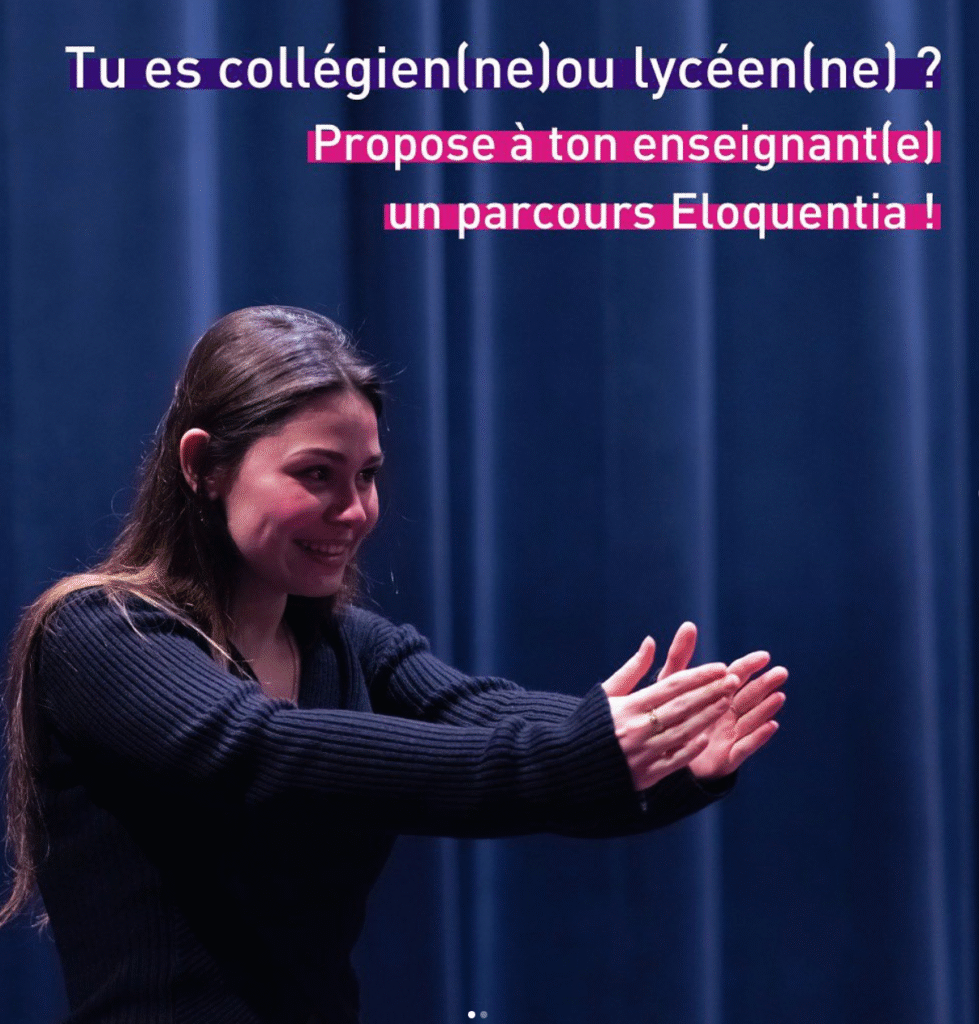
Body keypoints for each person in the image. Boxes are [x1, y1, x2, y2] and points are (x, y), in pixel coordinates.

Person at [1, 305, 786, 1023]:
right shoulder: (102, 632)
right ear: (204, 466)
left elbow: (491, 719)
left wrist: (670, 744)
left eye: (367, 476)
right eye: (316, 474)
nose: (354, 511)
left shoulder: (351, 646)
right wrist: (584, 751)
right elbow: (262, 751)